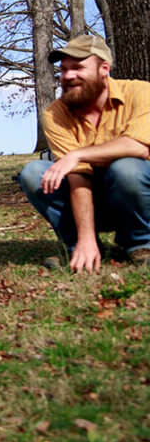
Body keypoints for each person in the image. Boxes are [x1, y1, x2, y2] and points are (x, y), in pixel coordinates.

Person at [18, 34, 150, 273]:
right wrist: (86, 237)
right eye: (64, 69)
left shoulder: (140, 93)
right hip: (93, 200)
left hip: (137, 197)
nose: (68, 76)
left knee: (127, 168)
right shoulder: (55, 114)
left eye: (78, 67)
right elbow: (77, 176)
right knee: (33, 173)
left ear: (104, 69)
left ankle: (141, 244)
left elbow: (139, 147)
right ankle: (81, 246)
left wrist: (78, 155)